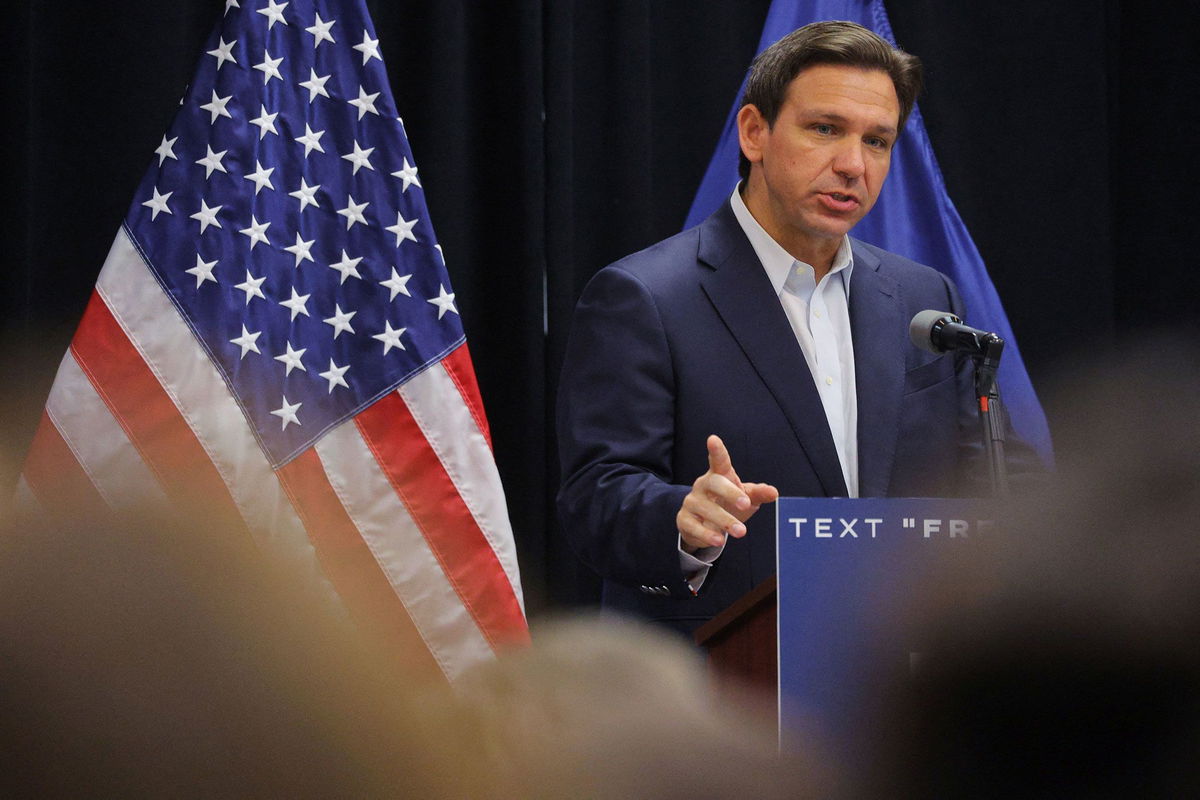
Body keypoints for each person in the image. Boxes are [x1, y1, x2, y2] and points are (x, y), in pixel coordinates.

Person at [557, 21, 1019, 636]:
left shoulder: (921, 296)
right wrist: (683, 517)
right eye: (825, 129)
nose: (853, 164)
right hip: (727, 679)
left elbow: (987, 468)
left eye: (878, 141)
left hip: (898, 667)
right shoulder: (645, 297)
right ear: (755, 132)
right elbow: (596, 498)